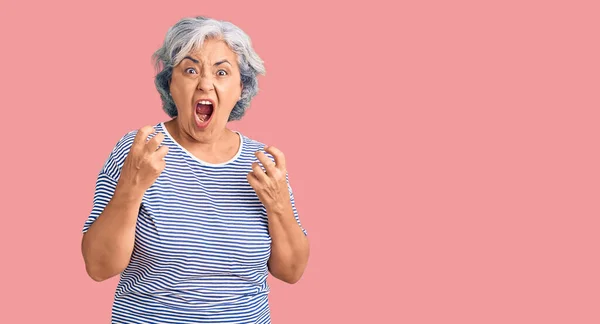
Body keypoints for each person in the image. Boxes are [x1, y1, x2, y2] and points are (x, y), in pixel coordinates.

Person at [80, 16, 310, 323]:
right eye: (190, 70)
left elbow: (291, 272)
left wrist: (279, 205)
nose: (205, 83)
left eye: (222, 72)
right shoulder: (140, 151)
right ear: (170, 85)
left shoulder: (261, 164)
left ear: (241, 88)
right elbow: (98, 267)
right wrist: (131, 189)